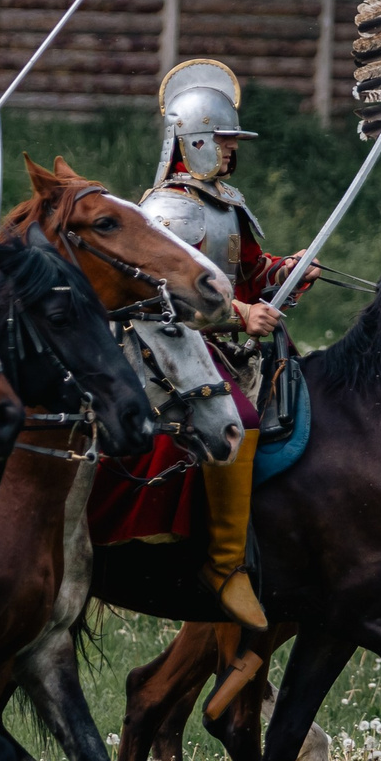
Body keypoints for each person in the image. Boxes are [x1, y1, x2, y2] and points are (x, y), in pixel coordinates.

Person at [131, 60, 304, 630]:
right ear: (194, 141)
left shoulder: (227, 202)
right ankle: (225, 566)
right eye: (223, 141)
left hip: (229, 346)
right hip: (172, 346)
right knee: (244, 419)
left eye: (233, 141)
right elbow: (164, 300)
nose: (231, 151)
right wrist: (238, 316)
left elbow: (251, 273)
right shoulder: (166, 210)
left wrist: (288, 271)